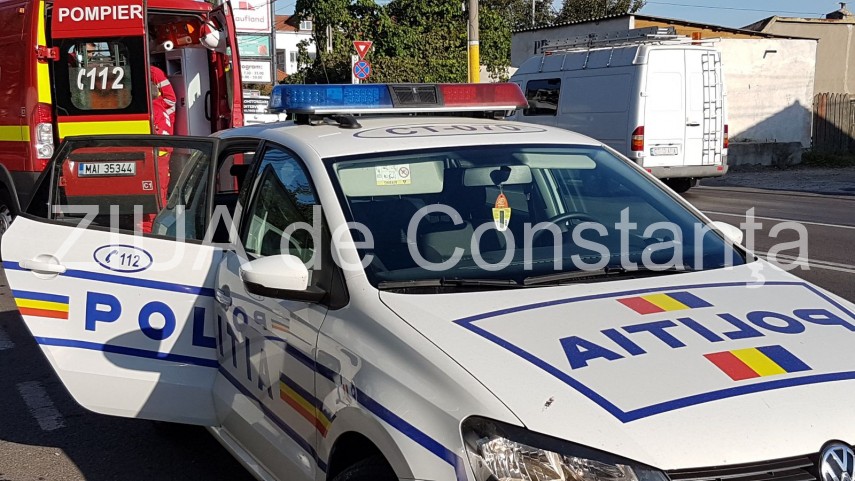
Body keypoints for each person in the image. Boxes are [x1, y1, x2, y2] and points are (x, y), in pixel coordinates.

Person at [141, 66, 177, 233]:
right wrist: (152, 71)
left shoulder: (150, 112)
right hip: (161, 157)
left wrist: (148, 69)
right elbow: (170, 97)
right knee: (158, 196)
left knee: (153, 197)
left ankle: (150, 230)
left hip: (156, 158)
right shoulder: (164, 106)